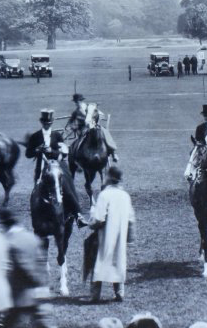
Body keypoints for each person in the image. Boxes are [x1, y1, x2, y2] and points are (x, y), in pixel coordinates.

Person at [0, 207, 58, 328]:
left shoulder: (12, 242)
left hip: (22, 293)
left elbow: (24, 266)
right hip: (38, 291)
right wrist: (43, 283)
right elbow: (41, 261)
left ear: (4, 224)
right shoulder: (32, 237)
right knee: (42, 324)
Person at [26, 109, 86, 227]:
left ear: (52, 123)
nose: (47, 125)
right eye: (45, 123)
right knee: (36, 191)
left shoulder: (57, 135)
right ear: (41, 122)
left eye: (49, 123)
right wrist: (37, 150)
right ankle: (35, 214)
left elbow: (63, 152)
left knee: (67, 186)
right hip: (42, 166)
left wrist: (51, 151)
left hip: (57, 165)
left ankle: (78, 214)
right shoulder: (35, 136)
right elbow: (28, 154)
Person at [87, 166, 135, 303]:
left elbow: (99, 218)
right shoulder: (125, 195)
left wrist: (91, 224)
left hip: (105, 236)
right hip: (120, 236)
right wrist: (129, 238)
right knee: (118, 261)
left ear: (108, 178)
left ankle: (95, 294)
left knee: (99, 261)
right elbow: (131, 218)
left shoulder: (104, 195)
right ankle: (119, 292)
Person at [68, 93, 119, 162]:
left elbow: (99, 115)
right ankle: (77, 159)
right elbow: (71, 122)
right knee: (77, 143)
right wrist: (74, 127)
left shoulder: (90, 107)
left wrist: (94, 120)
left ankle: (113, 153)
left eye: (78, 101)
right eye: (76, 102)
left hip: (94, 126)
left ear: (81, 101)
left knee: (104, 132)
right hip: (83, 130)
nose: (77, 103)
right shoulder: (75, 112)